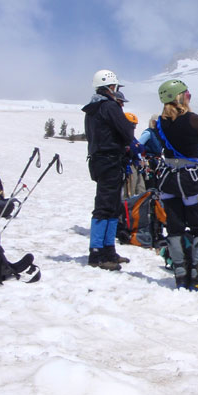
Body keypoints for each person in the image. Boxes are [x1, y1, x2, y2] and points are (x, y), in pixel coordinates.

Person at [155, 79, 198, 294]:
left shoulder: (159, 123)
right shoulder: (193, 119)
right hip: (190, 180)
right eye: (187, 93)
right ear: (179, 97)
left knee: (175, 228)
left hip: (168, 179)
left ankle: (181, 276)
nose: (189, 95)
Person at [82, 69, 136, 271]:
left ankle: (107, 249)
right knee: (106, 206)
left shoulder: (93, 109)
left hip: (99, 160)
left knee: (112, 205)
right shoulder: (110, 106)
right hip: (111, 160)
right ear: (110, 87)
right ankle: (97, 252)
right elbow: (125, 130)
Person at [123, 111, 147, 198]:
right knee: (130, 191)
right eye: (133, 125)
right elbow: (133, 148)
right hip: (129, 167)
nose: (134, 128)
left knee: (141, 189)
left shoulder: (132, 137)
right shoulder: (124, 136)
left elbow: (141, 148)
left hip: (136, 165)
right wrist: (135, 147)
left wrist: (136, 147)